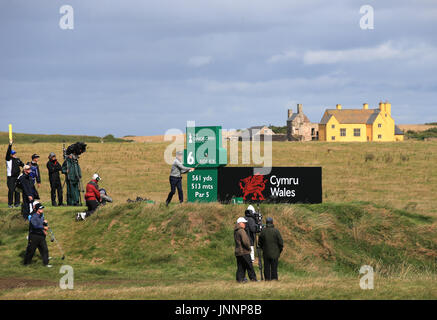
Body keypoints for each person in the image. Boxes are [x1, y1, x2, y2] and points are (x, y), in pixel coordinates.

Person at [23, 203, 51, 267]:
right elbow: (35, 225)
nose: (42, 209)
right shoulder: (34, 216)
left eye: (42, 208)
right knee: (31, 250)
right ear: (37, 209)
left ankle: (46, 263)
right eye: (40, 208)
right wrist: (43, 227)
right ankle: (26, 263)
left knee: (45, 249)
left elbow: (41, 224)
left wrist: (44, 229)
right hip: (34, 236)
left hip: (41, 236)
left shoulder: (41, 216)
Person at [234, 217, 257, 283]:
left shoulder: (236, 230)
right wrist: (249, 248)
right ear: (240, 223)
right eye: (243, 223)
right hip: (244, 251)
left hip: (238, 252)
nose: (245, 224)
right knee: (249, 266)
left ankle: (239, 279)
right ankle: (253, 279)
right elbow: (245, 241)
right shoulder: (241, 231)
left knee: (241, 267)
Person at [5, 142, 24, 208]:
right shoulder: (8, 159)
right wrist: (10, 145)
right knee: (11, 190)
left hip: (17, 177)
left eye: (15, 153)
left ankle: (17, 203)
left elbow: (23, 165)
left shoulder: (17, 160)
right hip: (11, 178)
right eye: (13, 154)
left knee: (17, 190)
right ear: (10, 155)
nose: (14, 154)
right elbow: (8, 152)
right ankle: (10, 204)